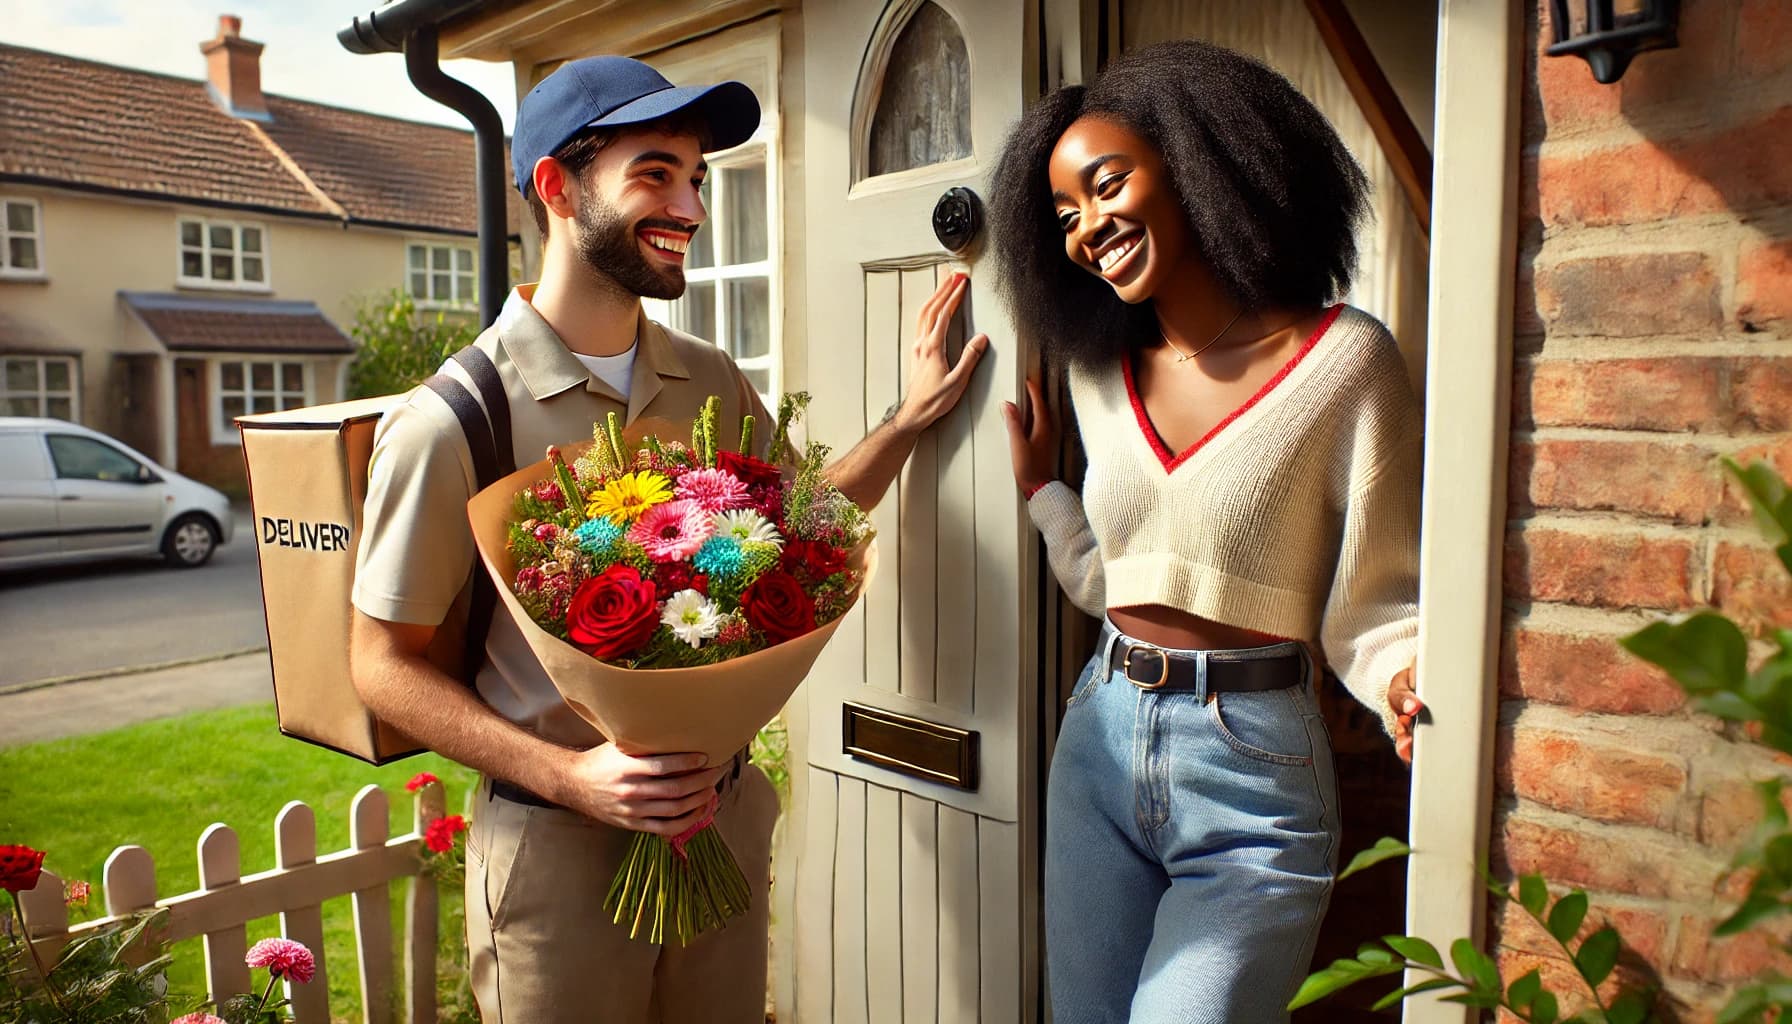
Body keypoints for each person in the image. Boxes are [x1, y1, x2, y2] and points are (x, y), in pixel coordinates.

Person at [348, 56, 987, 1024]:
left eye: (697, 177)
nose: (689, 204)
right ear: (558, 188)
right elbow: (378, 664)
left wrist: (907, 418)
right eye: (656, 172)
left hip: (716, 823)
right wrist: (569, 775)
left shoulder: (708, 377)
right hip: (558, 842)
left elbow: (798, 531)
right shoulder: (453, 422)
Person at [989, 40, 1424, 1023]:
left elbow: (1379, 595)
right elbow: (1119, 578)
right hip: (1097, 735)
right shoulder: (1099, 374)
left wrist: (1405, 676)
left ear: (1197, 161)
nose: (1088, 230)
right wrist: (1042, 493)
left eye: (1106, 185)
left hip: (1254, 771)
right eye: (1064, 217)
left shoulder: (1345, 360)